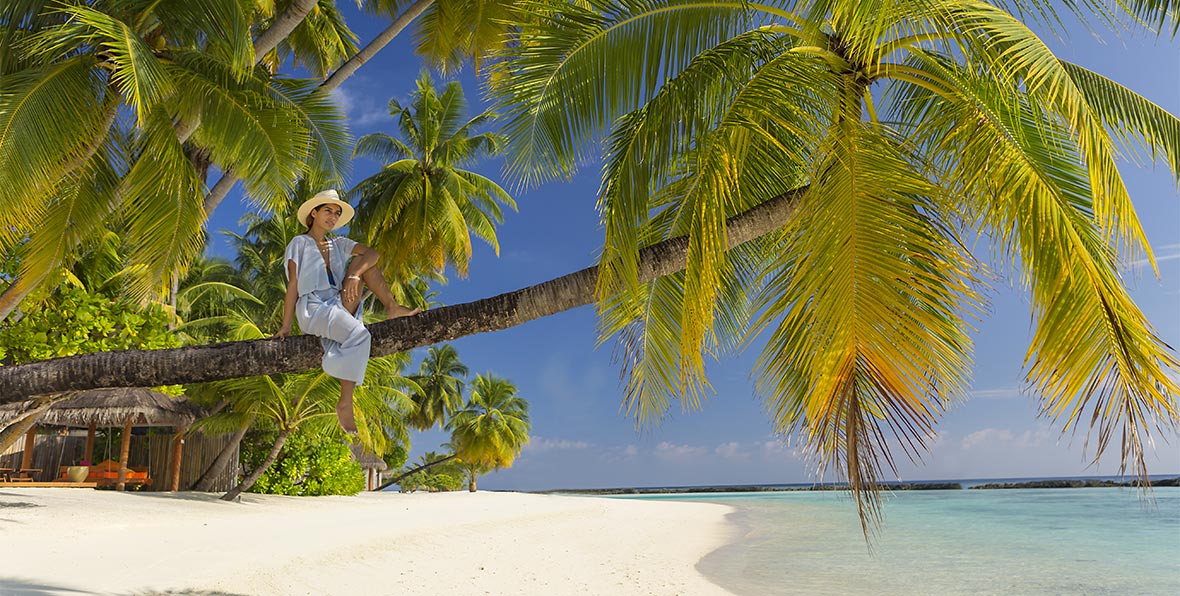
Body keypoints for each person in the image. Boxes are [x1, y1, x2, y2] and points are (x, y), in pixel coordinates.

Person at [274, 189, 421, 434]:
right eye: (328, 211)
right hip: (313, 307)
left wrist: (353, 275)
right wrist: (286, 325)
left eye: (337, 213)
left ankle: (392, 307)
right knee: (360, 334)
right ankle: (345, 401)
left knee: (365, 264)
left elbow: (374, 253)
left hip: (339, 301)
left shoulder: (338, 243)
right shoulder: (298, 243)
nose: (333, 217)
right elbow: (293, 285)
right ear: (314, 212)